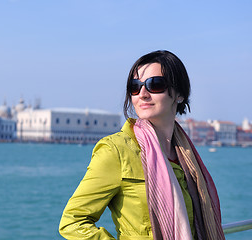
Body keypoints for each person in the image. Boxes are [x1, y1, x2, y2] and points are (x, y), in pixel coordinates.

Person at [59, 50, 225, 240]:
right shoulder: (116, 150)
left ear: (179, 94)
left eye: (155, 85)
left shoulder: (187, 155)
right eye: (135, 87)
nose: (143, 94)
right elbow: (72, 221)